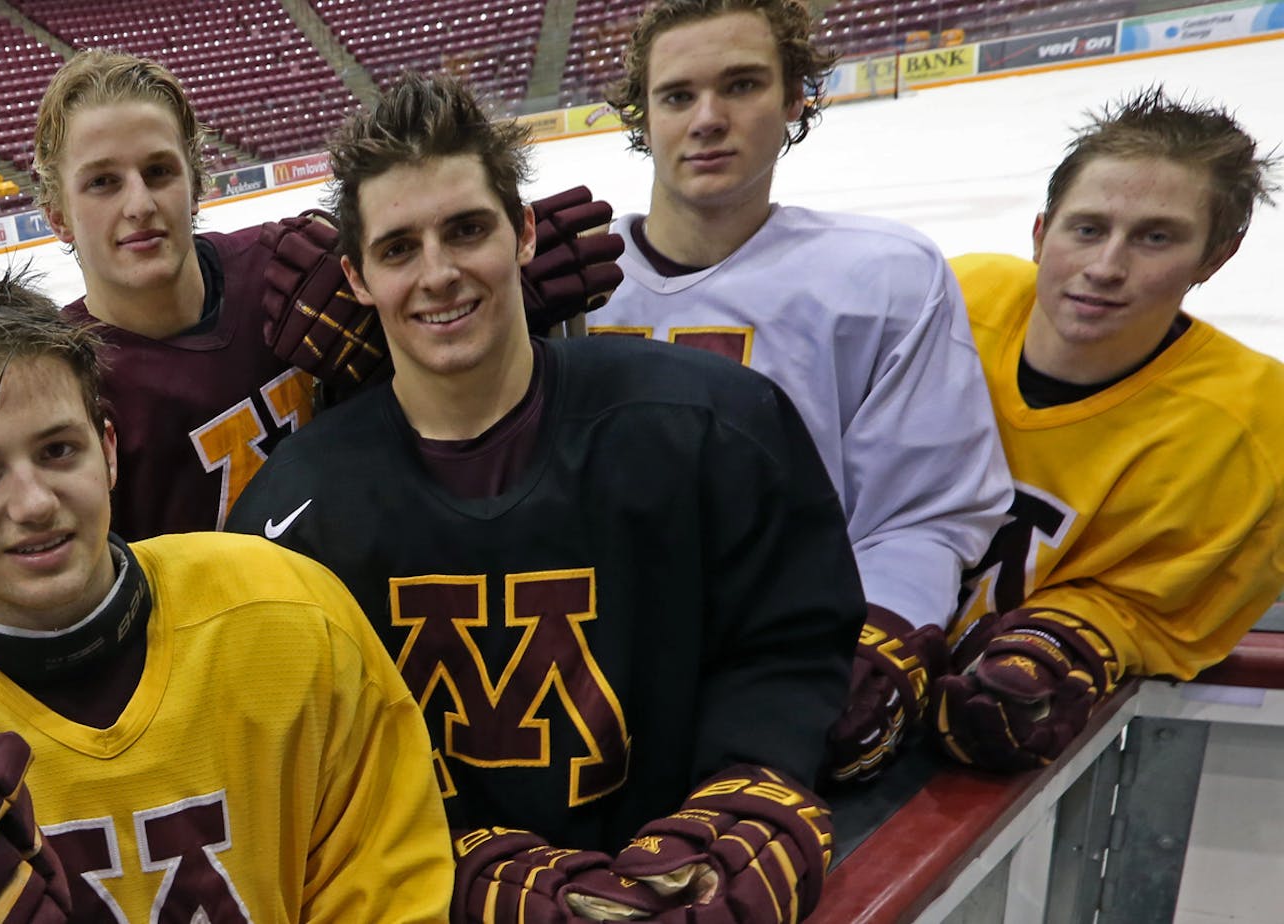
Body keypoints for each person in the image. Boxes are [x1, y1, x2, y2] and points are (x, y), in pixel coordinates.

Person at [228, 72, 860, 924]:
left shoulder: (709, 424)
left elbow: (787, 641)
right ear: (360, 275)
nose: (439, 273)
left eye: (467, 230)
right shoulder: (294, 514)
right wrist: (451, 860)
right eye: (399, 248)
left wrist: (750, 780)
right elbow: (307, 771)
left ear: (523, 233)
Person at [0, 273, 455, 921]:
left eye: (58, 451)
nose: (35, 503)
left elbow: (390, 890)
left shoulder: (291, 615)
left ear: (108, 450)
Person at [589, 0, 1012, 782]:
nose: (708, 118)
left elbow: (923, 511)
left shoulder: (882, 276)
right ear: (642, 117)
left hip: (777, 674)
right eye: (678, 96)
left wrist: (876, 637)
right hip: (584, 676)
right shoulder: (561, 281)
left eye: (742, 85)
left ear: (794, 100)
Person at [32, 50, 622, 539]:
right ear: (58, 215)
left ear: (195, 183)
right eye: (103, 183)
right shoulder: (59, 383)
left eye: (159, 171)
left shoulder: (289, 265)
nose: (139, 204)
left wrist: (485, 312)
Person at [937, 88, 1284, 772]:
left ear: (1215, 256)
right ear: (1041, 233)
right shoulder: (953, 303)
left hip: (982, 753)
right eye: (1087, 229)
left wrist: (1080, 633)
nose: (1105, 268)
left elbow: (1154, 613)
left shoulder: (1249, 428)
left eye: (1156, 237)